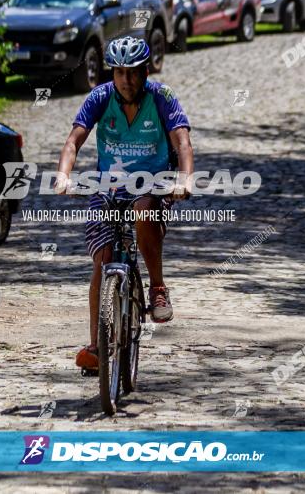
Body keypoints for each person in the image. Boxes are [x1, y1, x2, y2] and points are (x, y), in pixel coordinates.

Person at [54, 36, 194, 370]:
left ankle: (158, 287)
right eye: (119, 73)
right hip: (109, 188)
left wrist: (184, 179)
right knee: (102, 261)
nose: (127, 80)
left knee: (144, 210)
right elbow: (73, 142)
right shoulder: (100, 97)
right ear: (112, 74)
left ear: (146, 70)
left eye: (133, 72)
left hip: (154, 185)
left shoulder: (162, 97)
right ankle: (97, 348)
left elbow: (183, 142)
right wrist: (63, 175)